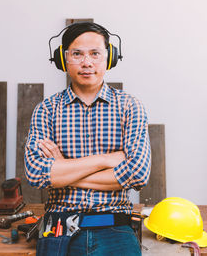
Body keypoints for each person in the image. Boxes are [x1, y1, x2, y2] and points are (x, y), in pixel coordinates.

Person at [24, 22, 151, 256]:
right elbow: (36, 173)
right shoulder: (47, 110)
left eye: (95, 53)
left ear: (109, 57)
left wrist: (62, 169)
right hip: (59, 228)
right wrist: (106, 160)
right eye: (77, 54)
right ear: (63, 60)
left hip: (115, 227)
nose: (87, 62)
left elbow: (137, 174)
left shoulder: (130, 107)